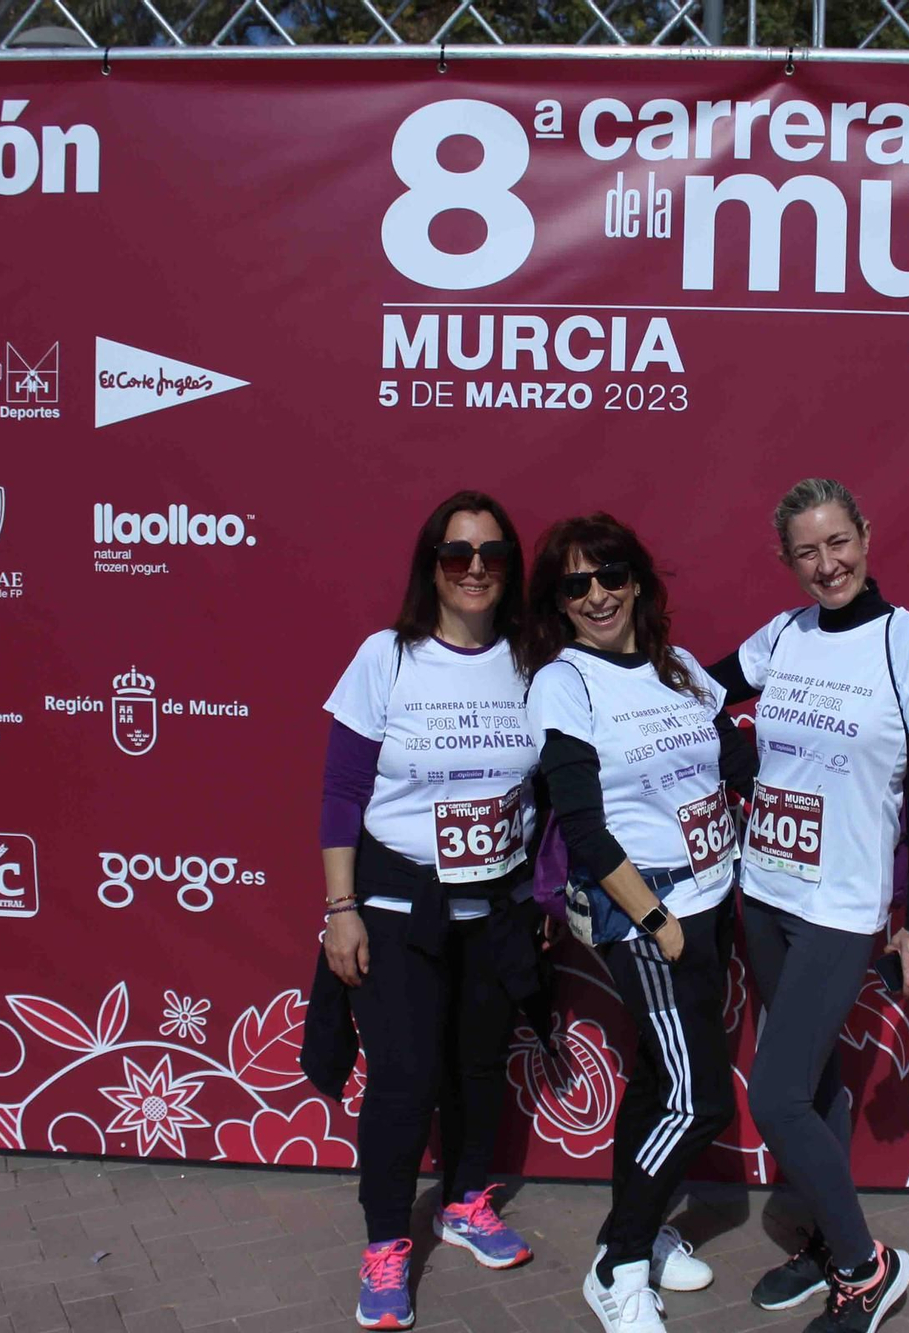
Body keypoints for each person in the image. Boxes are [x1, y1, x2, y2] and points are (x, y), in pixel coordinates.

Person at [707, 478, 909, 1333]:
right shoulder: (784, 635)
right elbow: (699, 698)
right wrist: (738, 769)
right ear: (787, 561)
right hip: (766, 892)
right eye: (807, 552)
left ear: (866, 534)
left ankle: (866, 1265)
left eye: (838, 543)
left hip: (839, 905)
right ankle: (823, 1241)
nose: (827, 565)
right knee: (813, 1086)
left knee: (775, 1095)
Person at [522, 514, 756, 1333]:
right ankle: (618, 1261)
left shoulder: (682, 668)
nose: (597, 595)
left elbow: (740, 765)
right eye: (575, 583)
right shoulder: (565, 682)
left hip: (712, 896)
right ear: (556, 600)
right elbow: (582, 826)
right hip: (651, 914)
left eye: (610, 574)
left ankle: (645, 1234)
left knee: (660, 1083)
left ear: (637, 581)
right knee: (701, 1104)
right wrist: (656, 919)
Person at [319, 491, 544, 1331]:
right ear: (433, 566)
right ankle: (385, 1243)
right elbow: (343, 792)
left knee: (479, 1066)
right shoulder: (387, 656)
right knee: (406, 1079)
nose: (476, 567)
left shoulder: (533, 660)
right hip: (396, 899)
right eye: (458, 554)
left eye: (491, 553)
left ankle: (464, 1202)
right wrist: (340, 908)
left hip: (497, 901)